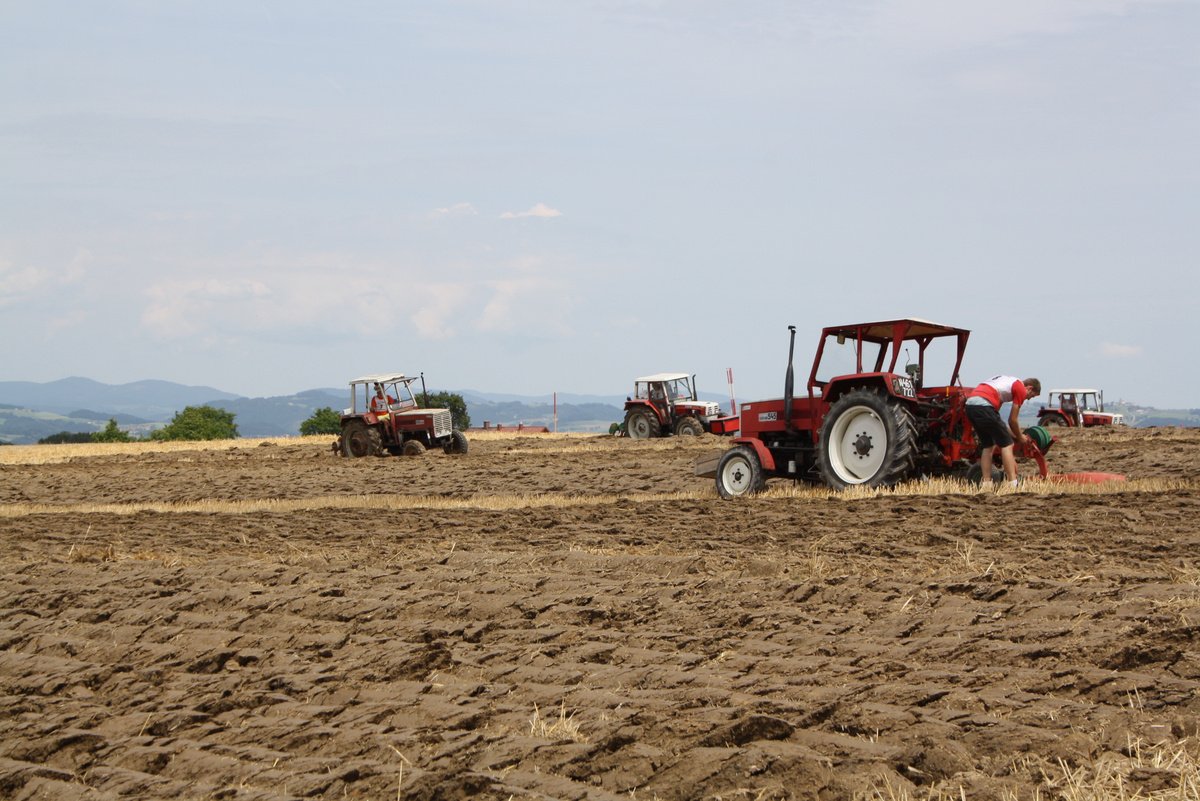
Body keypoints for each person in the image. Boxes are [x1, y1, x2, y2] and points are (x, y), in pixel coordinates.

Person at [965, 375, 1041, 489]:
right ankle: (1012, 483)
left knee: (988, 445)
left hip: (970, 406)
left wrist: (1014, 435)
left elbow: (998, 422)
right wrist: (1020, 437)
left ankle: (986, 484)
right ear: (1029, 388)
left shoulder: (1003, 385)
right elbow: (1012, 420)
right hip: (984, 405)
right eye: (1031, 396)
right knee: (1007, 445)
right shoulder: (1020, 387)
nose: (1029, 399)